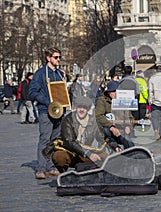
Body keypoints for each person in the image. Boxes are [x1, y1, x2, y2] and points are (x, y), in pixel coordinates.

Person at [46, 96, 116, 173]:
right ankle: (63, 175)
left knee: (106, 157)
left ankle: (94, 175)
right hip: (69, 152)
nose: (82, 110)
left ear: (88, 109)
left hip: (85, 152)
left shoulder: (93, 121)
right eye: (79, 107)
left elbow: (103, 137)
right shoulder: (68, 119)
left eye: (84, 108)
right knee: (59, 157)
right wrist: (88, 154)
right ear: (76, 108)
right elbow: (69, 141)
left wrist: (115, 146)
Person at [29, 47, 64, 179]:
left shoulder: (60, 73)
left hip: (59, 111)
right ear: (48, 58)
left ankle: (51, 166)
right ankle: (41, 168)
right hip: (46, 111)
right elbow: (32, 92)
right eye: (56, 57)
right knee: (45, 139)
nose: (58, 60)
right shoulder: (40, 73)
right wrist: (48, 101)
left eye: (59, 57)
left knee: (54, 140)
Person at [95, 80, 135, 150]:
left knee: (129, 142)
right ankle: (115, 148)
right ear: (108, 92)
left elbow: (130, 118)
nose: (116, 94)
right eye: (113, 91)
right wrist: (111, 127)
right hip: (107, 129)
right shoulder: (102, 100)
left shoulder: (123, 100)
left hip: (121, 130)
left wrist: (128, 126)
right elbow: (98, 116)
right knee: (106, 131)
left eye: (118, 91)